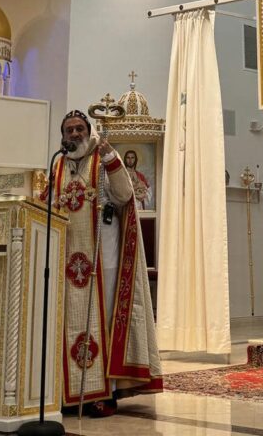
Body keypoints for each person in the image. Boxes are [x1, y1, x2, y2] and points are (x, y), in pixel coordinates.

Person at [42, 110, 162, 417]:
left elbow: (124, 195)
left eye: (79, 128)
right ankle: (70, 393)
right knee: (69, 323)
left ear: (89, 130)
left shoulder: (104, 158)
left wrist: (111, 158)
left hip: (103, 258)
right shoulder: (58, 164)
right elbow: (47, 204)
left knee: (103, 321)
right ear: (63, 135)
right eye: (69, 130)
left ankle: (105, 393)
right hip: (67, 260)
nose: (74, 134)